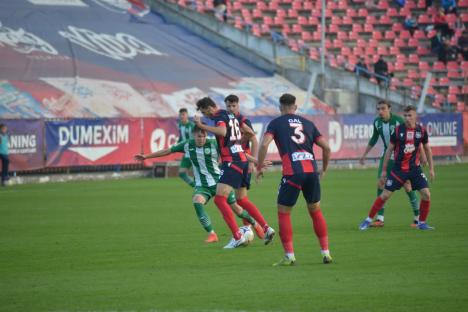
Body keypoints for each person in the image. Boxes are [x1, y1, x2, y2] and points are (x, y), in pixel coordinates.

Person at [135, 125, 262, 244]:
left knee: (237, 209)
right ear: (193, 136)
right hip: (202, 185)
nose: (201, 139)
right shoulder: (187, 145)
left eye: (203, 136)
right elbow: (167, 151)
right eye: (198, 136)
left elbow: (238, 152)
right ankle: (212, 233)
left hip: (220, 182)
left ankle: (254, 223)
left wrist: (257, 162)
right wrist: (146, 156)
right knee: (197, 201)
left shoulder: (214, 143)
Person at [256, 93, 332, 266]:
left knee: (284, 212)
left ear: (280, 107)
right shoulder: (308, 124)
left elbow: (264, 144)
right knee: (315, 211)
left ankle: (289, 256)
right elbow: (326, 148)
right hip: (312, 172)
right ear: (295, 107)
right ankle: (326, 253)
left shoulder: (275, 123)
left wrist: (259, 167)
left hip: (292, 172)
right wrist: (324, 169)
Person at [194, 97, 275, 249]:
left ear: (211, 107)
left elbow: (223, 131)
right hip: (241, 158)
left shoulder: (219, 116)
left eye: (206, 112)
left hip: (232, 162)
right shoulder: (232, 116)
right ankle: (265, 228)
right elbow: (250, 133)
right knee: (242, 200)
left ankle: (237, 236)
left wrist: (201, 126)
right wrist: (255, 161)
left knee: (219, 199)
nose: (207, 116)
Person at [359, 105, 435, 231]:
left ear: (415, 116)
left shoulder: (421, 131)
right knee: (385, 195)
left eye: (410, 115)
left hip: (415, 169)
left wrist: (431, 168)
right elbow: (389, 150)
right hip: (399, 169)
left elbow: (427, 148)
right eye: (405, 115)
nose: (407, 118)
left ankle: (421, 223)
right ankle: (367, 220)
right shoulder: (399, 130)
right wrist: (384, 170)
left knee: (426, 194)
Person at [225, 94, 267, 239]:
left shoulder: (242, 121)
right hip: (233, 161)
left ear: (238, 106)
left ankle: (252, 226)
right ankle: (252, 226)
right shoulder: (226, 120)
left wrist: (251, 162)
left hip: (242, 162)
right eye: (228, 106)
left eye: (233, 106)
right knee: (238, 199)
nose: (231, 108)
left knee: (237, 199)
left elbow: (254, 140)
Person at [177, 108, 196, 187]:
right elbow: (181, 137)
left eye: (183, 114)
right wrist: (178, 143)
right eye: (181, 115)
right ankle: (195, 186)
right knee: (181, 173)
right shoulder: (180, 125)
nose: (182, 116)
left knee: (198, 173)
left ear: (187, 115)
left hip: (193, 152)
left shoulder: (192, 126)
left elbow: (195, 138)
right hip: (186, 153)